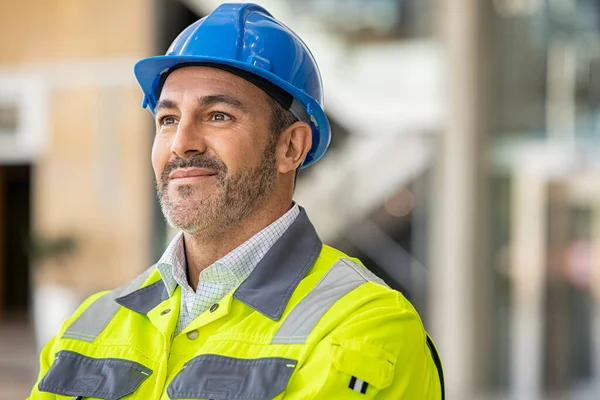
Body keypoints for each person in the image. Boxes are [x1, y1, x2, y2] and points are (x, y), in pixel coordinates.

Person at [28, 3, 444, 399]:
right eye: (168, 119)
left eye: (218, 116)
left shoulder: (366, 326)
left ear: (291, 147)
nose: (182, 144)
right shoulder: (90, 324)